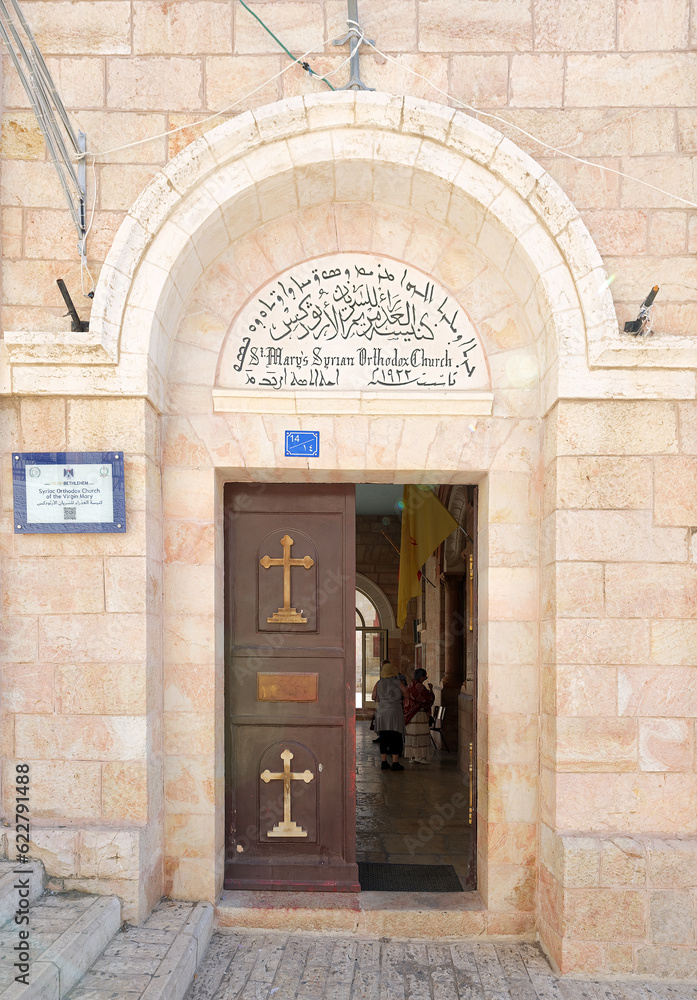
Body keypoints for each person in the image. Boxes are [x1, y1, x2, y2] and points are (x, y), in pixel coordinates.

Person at [372, 660, 407, 771]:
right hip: (395, 711)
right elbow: (407, 694)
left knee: (383, 736)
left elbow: (373, 697)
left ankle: (384, 762)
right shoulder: (398, 683)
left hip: (382, 712)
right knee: (395, 736)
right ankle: (395, 763)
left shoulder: (378, 683)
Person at [403, 668, 435, 764]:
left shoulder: (410, 684)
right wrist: (431, 690)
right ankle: (419, 756)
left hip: (411, 714)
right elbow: (428, 699)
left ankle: (412, 756)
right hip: (418, 714)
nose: (424, 679)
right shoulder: (419, 686)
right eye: (425, 677)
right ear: (421, 677)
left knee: (412, 735)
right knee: (419, 735)